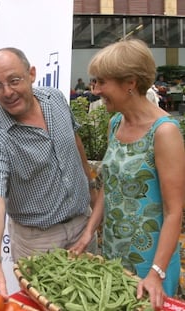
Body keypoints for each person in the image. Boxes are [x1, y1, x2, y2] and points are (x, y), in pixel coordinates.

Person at [0, 47, 97, 307]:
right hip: (38, 243)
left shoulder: (54, 99)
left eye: (14, 80)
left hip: (82, 226)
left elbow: (75, 143)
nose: (7, 92)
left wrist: (92, 187)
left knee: (93, 301)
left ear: (31, 74)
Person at [70, 39, 185, 310]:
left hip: (151, 259)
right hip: (114, 250)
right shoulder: (116, 123)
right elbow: (109, 187)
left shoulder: (164, 132)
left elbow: (174, 211)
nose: (95, 90)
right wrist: (88, 233)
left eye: (101, 82)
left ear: (130, 83)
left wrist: (156, 273)